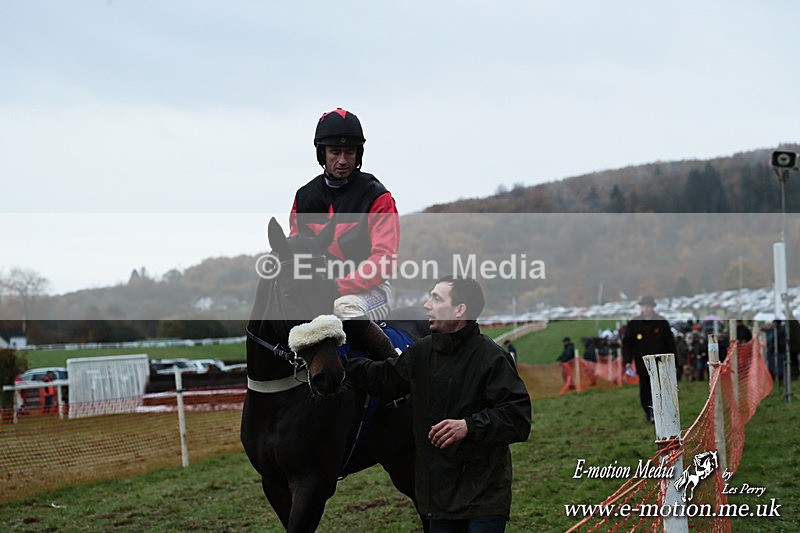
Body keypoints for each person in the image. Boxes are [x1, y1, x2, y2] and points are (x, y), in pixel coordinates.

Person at [346, 276, 532, 532]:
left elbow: (518, 418)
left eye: (436, 298)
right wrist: (332, 358)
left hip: (484, 499)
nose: (427, 305)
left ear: (459, 310)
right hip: (438, 501)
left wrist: (468, 426)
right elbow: (382, 378)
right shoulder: (421, 353)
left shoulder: (492, 357)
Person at [289, 108, 399, 359]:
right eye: (335, 152)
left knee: (344, 308)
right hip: (318, 291)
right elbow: (295, 254)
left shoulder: (378, 196)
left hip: (370, 291)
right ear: (322, 153)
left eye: (349, 152)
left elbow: (385, 259)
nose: (342, 160)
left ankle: (394, 368)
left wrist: (337, 286)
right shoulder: (303, 198)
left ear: (358, 154)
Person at [622, 296, 675, 423]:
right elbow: (627, 344)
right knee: (645, 389)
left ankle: (661, 412)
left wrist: (673, 361)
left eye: (649, 306)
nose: (647, 309)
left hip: (661, 363)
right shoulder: (634, 324)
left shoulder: (661, 322)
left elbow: (670, 343)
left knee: (661, 389)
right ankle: (649, 412)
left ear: (653, 307)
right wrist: (627, 361)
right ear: (641, 307)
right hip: (642, 364)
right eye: (644, 306)